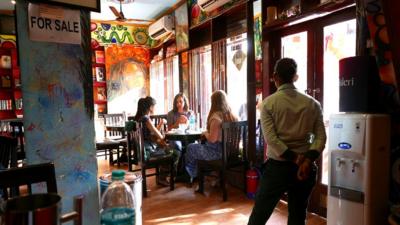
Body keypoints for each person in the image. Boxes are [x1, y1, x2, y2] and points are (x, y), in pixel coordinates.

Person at [248, 58, 326, 225]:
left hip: (278, 168)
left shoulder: (268, 104)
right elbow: (319, 137)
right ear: (295, 77)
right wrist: (306, 159)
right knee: (298, 215)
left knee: (259, 215)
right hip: (305, 167)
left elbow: (272, 140)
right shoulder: (313, 104)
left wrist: (296, 159)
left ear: (275, 76)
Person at [184, 90, 237, 182]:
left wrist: (205, 133)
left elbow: (212, 139)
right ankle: (204, 174)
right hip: (231, 152)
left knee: (190, 148)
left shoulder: (216, 118)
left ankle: (192, 175)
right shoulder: (233, 116)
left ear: (213, 102)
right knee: (198, 147)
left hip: (217, 153)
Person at [133, 96, 179, 185]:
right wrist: (165, 141)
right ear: (150, 107)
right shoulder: (146, 118)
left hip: (143, 151)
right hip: (148, 152)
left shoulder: (139, 118)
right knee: (174, 153)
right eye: (154, 106)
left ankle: (162, 176)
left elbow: (152, 134)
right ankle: (163, 177)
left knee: (165, 148)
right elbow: (155, 132)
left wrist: (161, 124)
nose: (155, 108)